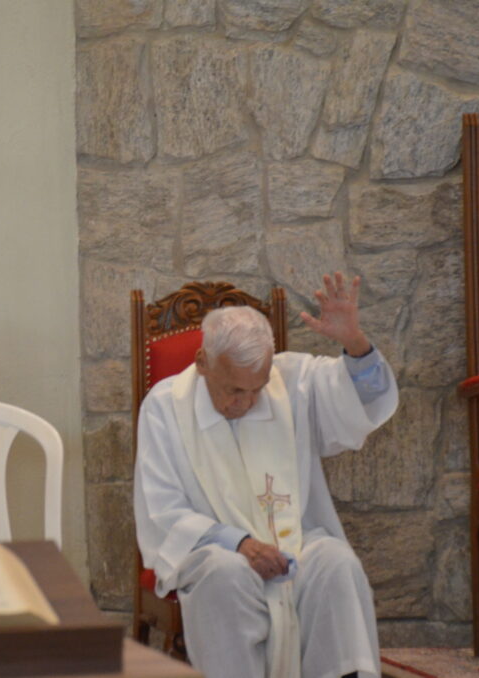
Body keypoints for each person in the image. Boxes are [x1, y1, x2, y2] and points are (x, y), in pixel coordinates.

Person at [134, 272, 399, 678]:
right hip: (212, 551)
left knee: (335, 562)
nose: (247, 402)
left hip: (293, 540)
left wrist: (354, 343)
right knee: (226, 576)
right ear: (202, 362)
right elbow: (162, 510)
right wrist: (238, 542)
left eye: (256, 388)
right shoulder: (165, 406)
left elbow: (363, 403)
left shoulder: (291, 381)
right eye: (234, 391)